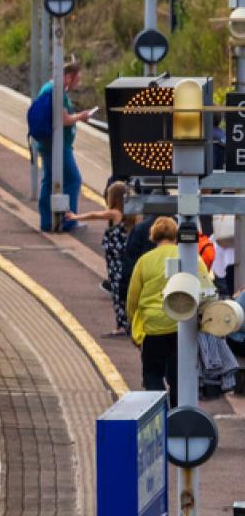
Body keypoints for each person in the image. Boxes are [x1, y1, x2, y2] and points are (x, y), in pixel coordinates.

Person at [126, 216, 214, 402]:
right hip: (182, 324)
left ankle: (157, 414)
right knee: (178, 377)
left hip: (153, 326)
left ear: (153, 236)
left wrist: (134, 327)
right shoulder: (191, 258)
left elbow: (132, 299)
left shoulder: (144, 261)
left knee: (152, 374)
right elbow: (207, 288)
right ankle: (177, 416)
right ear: (176, 235)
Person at [28, 58, 98, 233]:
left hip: (51, 143)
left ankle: (47, 220)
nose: (78, 83)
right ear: (68, 77)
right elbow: (63, 119)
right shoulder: (56, 91)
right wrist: (81, 117)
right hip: (56, 146)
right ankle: (68, 220)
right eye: (77, 79)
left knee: (49, 180)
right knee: (73, 179)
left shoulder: (49, 88)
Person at [78, 180, 133, 336]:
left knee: (117, 292)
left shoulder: (116, 213)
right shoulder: (130, 215)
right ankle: (128, 323)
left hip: (116, 261)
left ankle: (122, 326)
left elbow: (96, 214)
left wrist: (76, 217)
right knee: (125, 291)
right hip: (122, 258)